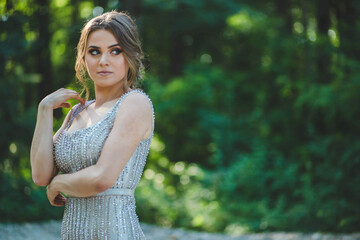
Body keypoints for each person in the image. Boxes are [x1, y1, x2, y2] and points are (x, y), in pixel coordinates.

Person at [30, 10, 154, 239]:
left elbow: (102, 179)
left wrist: (58, 183)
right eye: (94, 52)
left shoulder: (134, 103)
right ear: (83, 58)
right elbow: (40, 175)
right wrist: (44, 110)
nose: (103, 61)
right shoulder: (78, 111)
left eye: (115, 51)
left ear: (130, 56)